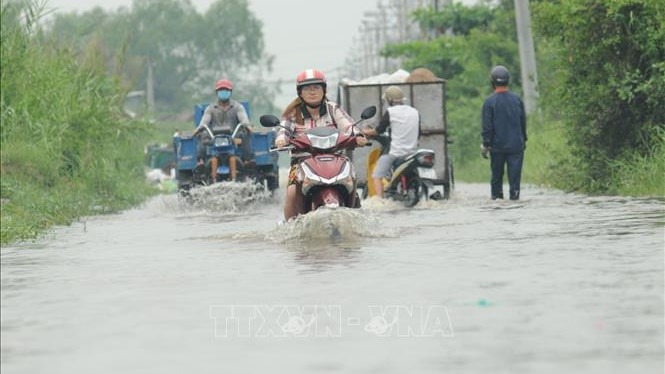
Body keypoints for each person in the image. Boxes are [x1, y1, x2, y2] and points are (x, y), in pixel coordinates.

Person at [274, 68, 368, 221]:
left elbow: (348, 125)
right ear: (300, 92)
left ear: (324, 90)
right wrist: (281, 140)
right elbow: (282, 131)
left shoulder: (333, 109)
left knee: (351, 183)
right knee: (291, 192)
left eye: (316, 87)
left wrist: (357, 135)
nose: (312, 92)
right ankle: (290, 228)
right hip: (301, 162)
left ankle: (358, 220)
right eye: (307, 88)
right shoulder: (293, 113)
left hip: (335, 160)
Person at [362, 85, 421, 198]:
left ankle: (380, 200)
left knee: (377, 175)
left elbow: (379, 130)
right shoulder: (414, 111)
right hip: (412, 152)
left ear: (389, 99)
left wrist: (366, 131)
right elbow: (419, 133)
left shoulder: (390, 112)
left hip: (395, 153)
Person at [481, 65, 527, 200]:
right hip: (516, 146)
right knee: (515, 181)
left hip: (497, 148)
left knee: (496, 179)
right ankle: (515, 200)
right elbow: (523, 122)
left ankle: (497, 203)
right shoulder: (517, 100)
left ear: (492, 82)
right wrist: (523, 140)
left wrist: (486, 144)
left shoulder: (489, 102)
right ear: (508, 81)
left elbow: (487, 127)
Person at [194, 78, 251, 182]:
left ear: (230, 92)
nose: (223, 93)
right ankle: (201, 160)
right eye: (221, 91)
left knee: (244, 133)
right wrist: (199, 129)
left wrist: (247, 125)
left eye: (226, 90)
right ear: (217, 93)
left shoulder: (237, 107)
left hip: (233, 137)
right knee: (202, 134)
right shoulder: (211, 108)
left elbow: (244, 119)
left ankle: (247, 160)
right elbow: (204, 122)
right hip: (214, 138)